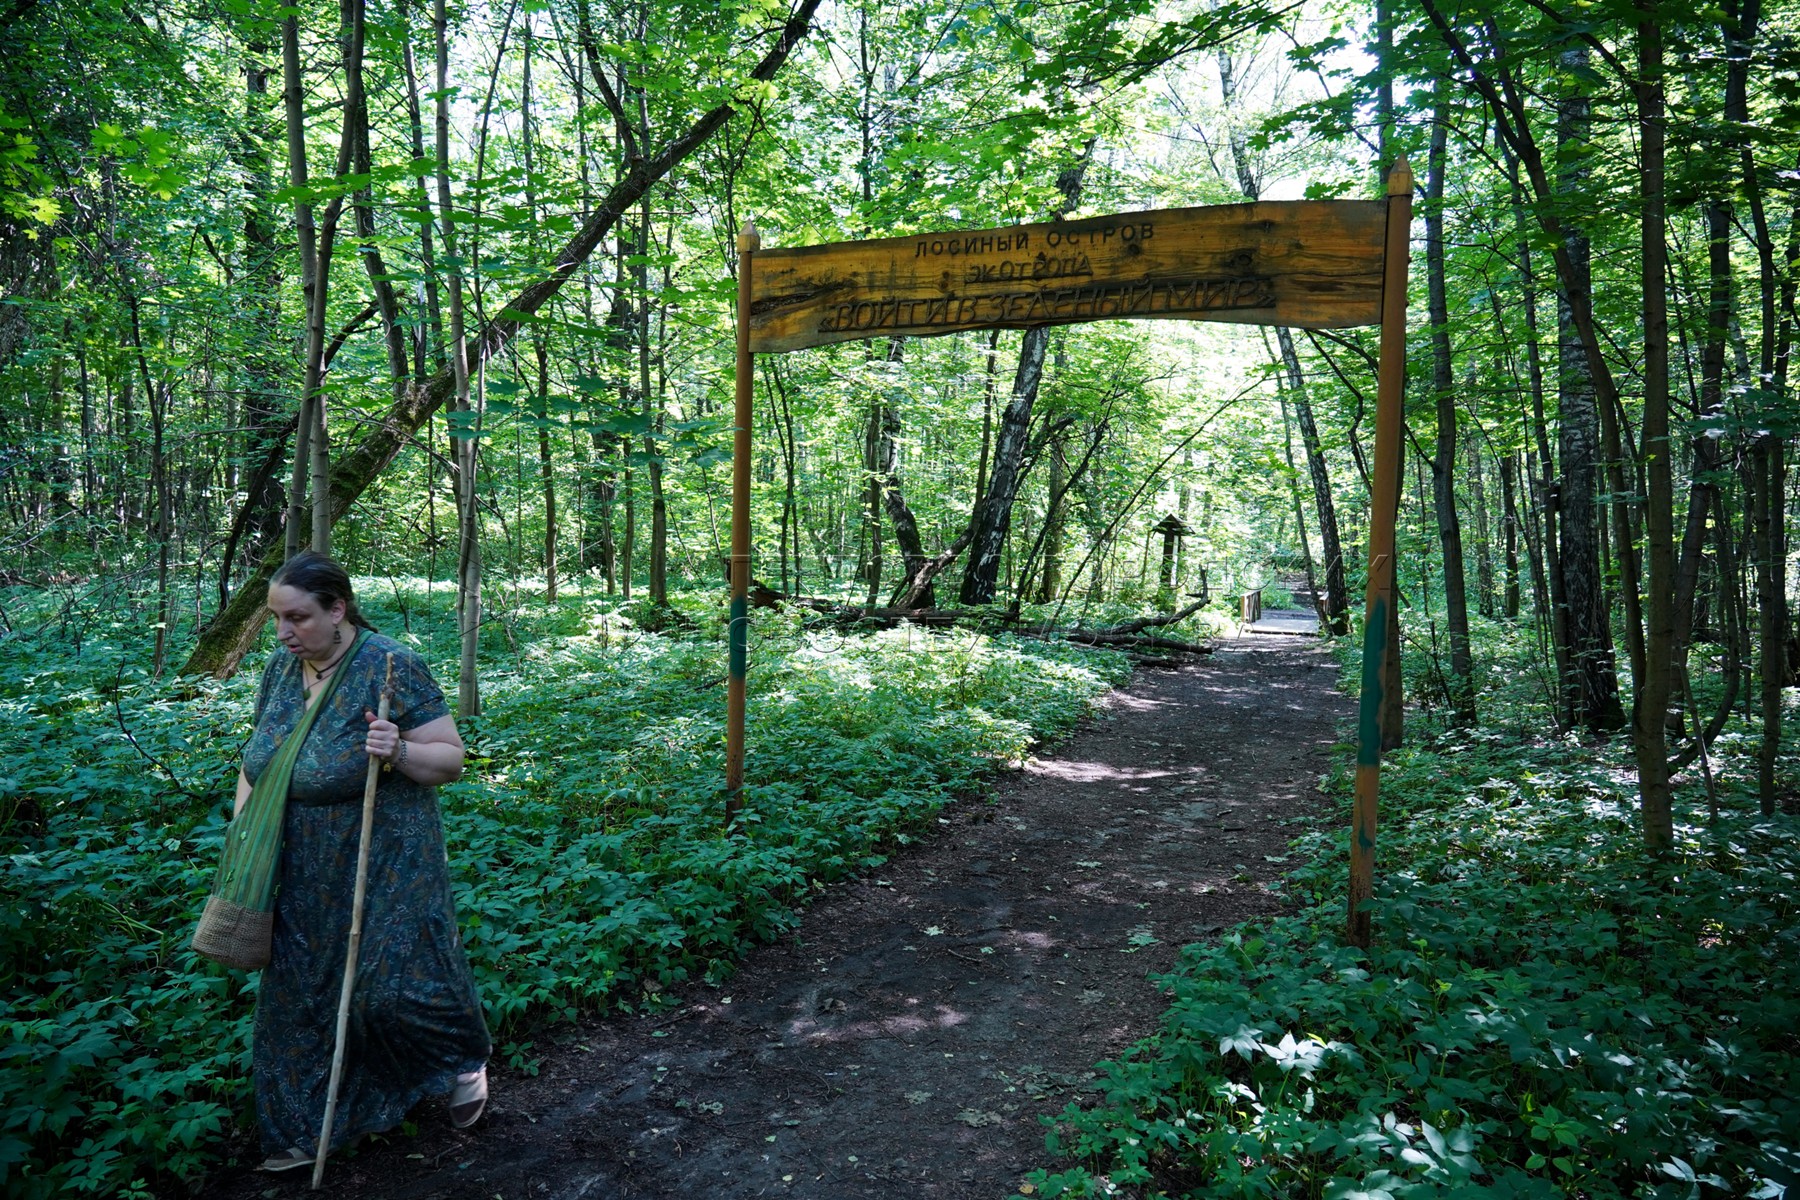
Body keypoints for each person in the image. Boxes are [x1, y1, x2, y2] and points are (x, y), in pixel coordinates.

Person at [236, 551, 491, 1172]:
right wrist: (243, 840)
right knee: (299, 999)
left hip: (385, 860)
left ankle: (461, 1063)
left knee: (391, 988)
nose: (284, 631)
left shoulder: (389, 665)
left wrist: (399, 747)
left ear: (338, 609)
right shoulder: (280, 669)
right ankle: (303, 1123)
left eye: (297, 617)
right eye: (276, 619)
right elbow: (257, 761)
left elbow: (450, 761)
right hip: (296, 867)